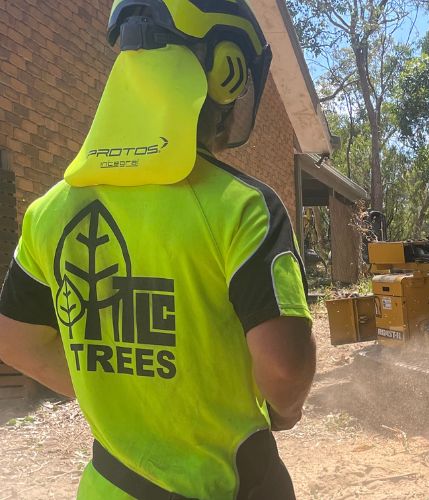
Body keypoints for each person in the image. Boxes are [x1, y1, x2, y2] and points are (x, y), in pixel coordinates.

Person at [0, 1, 316, 498]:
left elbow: (13, 340)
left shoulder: (50, 210)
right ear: (228, 71)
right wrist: (284, 412)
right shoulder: (243, 207)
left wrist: (120, 397)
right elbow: (285, 369)